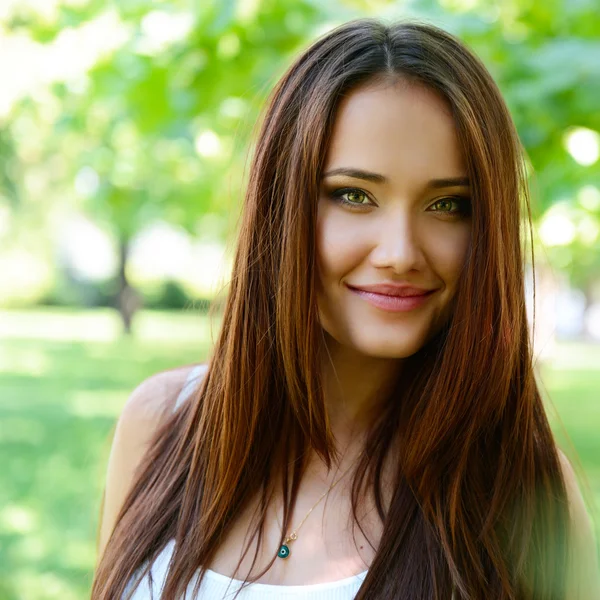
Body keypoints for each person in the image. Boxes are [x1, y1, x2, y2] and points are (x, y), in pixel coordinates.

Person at [92, 18, 599, 600]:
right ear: (282, 209)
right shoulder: (160, 423)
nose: (401, 252)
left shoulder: (523, 492)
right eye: (354, 196)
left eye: (448, 204)